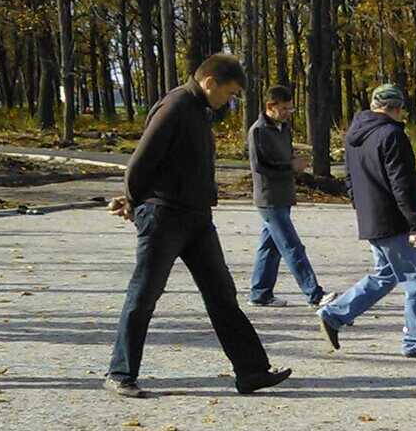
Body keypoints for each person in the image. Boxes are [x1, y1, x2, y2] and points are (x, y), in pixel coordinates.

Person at [105, 53, 291, 398]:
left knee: (222, 294)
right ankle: (121, 373)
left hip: (196, 218)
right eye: (229, 93)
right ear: (210, 83)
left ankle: (251, 371)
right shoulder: (175, 106)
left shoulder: (199, 109)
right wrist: (132, 201)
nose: (228, 101)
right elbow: (141, 161)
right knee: (144, 294)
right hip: (164, 216)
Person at [319, 83, 416, 358]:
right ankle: (415, 341)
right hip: (393, 220)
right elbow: (403, 184)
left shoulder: (354, 135)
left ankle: (334, 315)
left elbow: (349, 179)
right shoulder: (392, 134)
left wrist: (361, 209)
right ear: (397, 108)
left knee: (385, 276)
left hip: (371, 218)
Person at [246, 84, 325, 308]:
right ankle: (314, 294)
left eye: (290, 109)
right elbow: (260, 166)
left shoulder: (284, 129)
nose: (288, 113)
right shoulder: (258, 131)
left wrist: (295, 163)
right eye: (284, 109)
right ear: (270, 106)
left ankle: (260, 293)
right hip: (268, 197)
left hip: (284, 195)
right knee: (292, 246)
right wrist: (290, 167)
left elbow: (285, 158)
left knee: (270, 246)